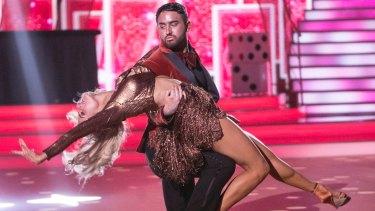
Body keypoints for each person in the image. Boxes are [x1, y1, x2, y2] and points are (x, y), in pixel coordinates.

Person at [13, 71, 351, 210]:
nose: (78, 106)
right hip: (198, 116)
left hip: (197, 106)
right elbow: (76, 132)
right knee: (258, 168)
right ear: (98, 119)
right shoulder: (114, 108)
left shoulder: (118, 84)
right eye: (82, 111)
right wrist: (45, 154)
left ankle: (320, 191)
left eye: (78, 106)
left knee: (268, 158)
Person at [123, 2, 236, 210]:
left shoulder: (190, 55)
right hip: (162, 144)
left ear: (187, 25)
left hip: (187, 139)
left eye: (173, 24)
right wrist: (166, 111)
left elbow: (212, 95)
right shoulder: (153, 61)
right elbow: (134, 97)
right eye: (162, 25)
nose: (167, 31)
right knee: (222, 164)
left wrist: (218, 115)